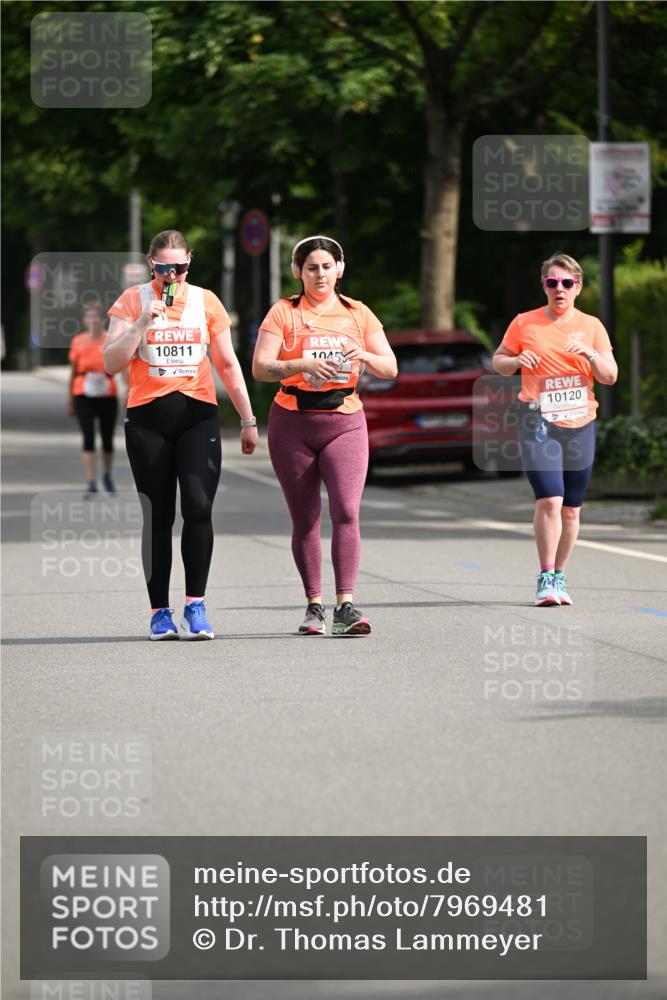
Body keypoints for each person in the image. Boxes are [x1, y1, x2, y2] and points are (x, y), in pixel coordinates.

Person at [104, 229, 258, 640]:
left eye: (181, 266)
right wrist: (141, 322)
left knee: (198, 506)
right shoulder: (132, 300)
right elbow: (110, 362)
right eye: (164, 268)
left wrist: (247, 418)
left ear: (190, 260)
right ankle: (160, 612)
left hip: (197, 416)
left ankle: (196, 606)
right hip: (148, 420)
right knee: (158, 515)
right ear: (152, 264)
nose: (173, 275)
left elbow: (226, 363)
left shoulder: (206, 301)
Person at [252, 234, 397, 635]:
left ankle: (345, 605)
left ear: (340, 270)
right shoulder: (284, 312)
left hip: (345, 419)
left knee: (347, 511)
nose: (320, 274)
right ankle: (314, 605)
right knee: (306, 518)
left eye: (327, 267)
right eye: (312, 267)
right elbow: (261, 367)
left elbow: (390, 368)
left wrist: (365, 355)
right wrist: (301, 364)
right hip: (292, 421)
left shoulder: (358, 313)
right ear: (298, 272)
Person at [492, 252, 618, 606]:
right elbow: (498, 361)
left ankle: (560, 575)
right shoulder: (525, 323)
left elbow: (611, 376)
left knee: (571, 509)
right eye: (552, 282)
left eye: (567, 283)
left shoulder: (592, 326)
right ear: (544, 285)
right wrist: (516, 361)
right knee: (550, 499)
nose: (559, 289)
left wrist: (591, 355)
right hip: (537, 421)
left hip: (580, 424)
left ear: (578, 286)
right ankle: (546, 577)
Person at [68, 303, 118, 497]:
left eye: (96, 317)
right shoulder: (78, 341)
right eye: (89, 317)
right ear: (85, 320)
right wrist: (70, 397)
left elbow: (119, 366)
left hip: (107, 392)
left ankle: (107, 475)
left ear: (102, 320)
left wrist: (129, 389)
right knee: (88, 436)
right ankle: (91, 481)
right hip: (83, 392)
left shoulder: (110, 340)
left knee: (107, 438)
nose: (93, 321)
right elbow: (73, 371)